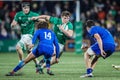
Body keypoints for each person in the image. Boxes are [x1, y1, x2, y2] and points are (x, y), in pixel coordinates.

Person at [11, 2, 40, 71]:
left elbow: (42, 20)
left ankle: (21, 62)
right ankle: (37, 63)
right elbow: (13, 24)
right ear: (22, 8)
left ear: (29, 8)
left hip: (29, 35)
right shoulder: (18, 15)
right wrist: (13, 25)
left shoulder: (33, 14)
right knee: (30, 52)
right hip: (23, 35)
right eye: (24, 8)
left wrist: (36, 19)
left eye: (27, 8)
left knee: (18, 47)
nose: (26, 9)